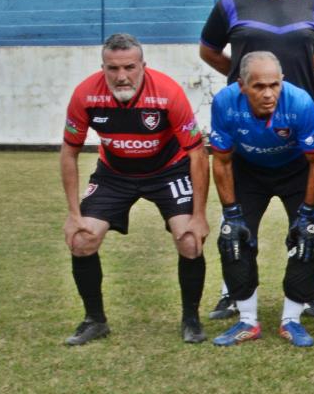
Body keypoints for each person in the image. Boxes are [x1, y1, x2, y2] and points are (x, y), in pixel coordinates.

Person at [60, 32, 210, 346]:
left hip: (168, 171)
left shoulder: (168, 93)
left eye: (129, 67)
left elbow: (197, 153)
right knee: (81, 239)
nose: (121, 76)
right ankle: (94, 320)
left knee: (190, 242)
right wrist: (74, 214)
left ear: (143, 65)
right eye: (112, 69)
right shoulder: (85, 95)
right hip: (114, 174)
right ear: (103, 68)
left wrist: (199, 215)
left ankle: (191, 319)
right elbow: (69, 152)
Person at [205, 52, 314, 347]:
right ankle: (247, 320)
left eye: (274, 85)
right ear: (242, 85)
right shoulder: (224, 102)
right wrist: (231, 213)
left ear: (282, 81)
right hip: (248, 171)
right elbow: (221, 161)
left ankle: (292, 320)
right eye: (259, 86)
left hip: (296, 170)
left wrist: (308, 213)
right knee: (233, 239)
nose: (269, 93)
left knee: (306, 237)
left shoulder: (300, 103)